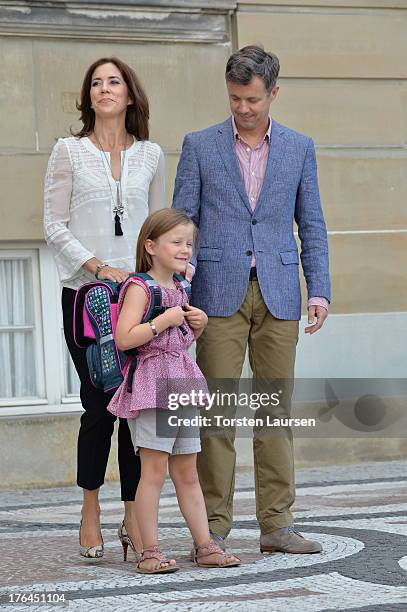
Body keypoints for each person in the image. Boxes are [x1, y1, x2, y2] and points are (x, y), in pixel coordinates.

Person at [173, 45, 330, 554]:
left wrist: (320, 289)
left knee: (274, 414)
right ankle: (213, 527)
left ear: (274, 93)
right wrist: (179, 294)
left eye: (253, 99)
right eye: (236, 98)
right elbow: (181, 226)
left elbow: (312, 224)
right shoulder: (199, 146)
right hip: (215, 296)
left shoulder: (299, 147)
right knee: (216, 416)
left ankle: (276, 525)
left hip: (281, 294)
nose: (243, 108)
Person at [43, 56, 165, 559]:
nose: (104, 89)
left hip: (137, 297)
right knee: (98, 406)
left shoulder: (152, 154)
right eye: (95, 82)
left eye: (113, 82)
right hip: (87, 296)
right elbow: (53, 225)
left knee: (135, 409)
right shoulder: (67, 151)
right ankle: (90, 507)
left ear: (130, 95)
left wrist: (168, 283)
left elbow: (159, 228)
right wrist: (97, 266)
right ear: (87, 96)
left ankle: (133, 517)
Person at [107, 208, 241, 573]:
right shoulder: (140, 287)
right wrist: (162, 320)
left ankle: (204, 546)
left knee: (187, 471)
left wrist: (197, 325)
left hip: (181, 382)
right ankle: (149, 550)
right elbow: (125, 338)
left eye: (189, 243)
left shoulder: (180, 287)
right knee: (152, 472)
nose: (185, 249)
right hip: (153, 386)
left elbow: (176, 340)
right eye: (176, 242)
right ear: (151, 246)